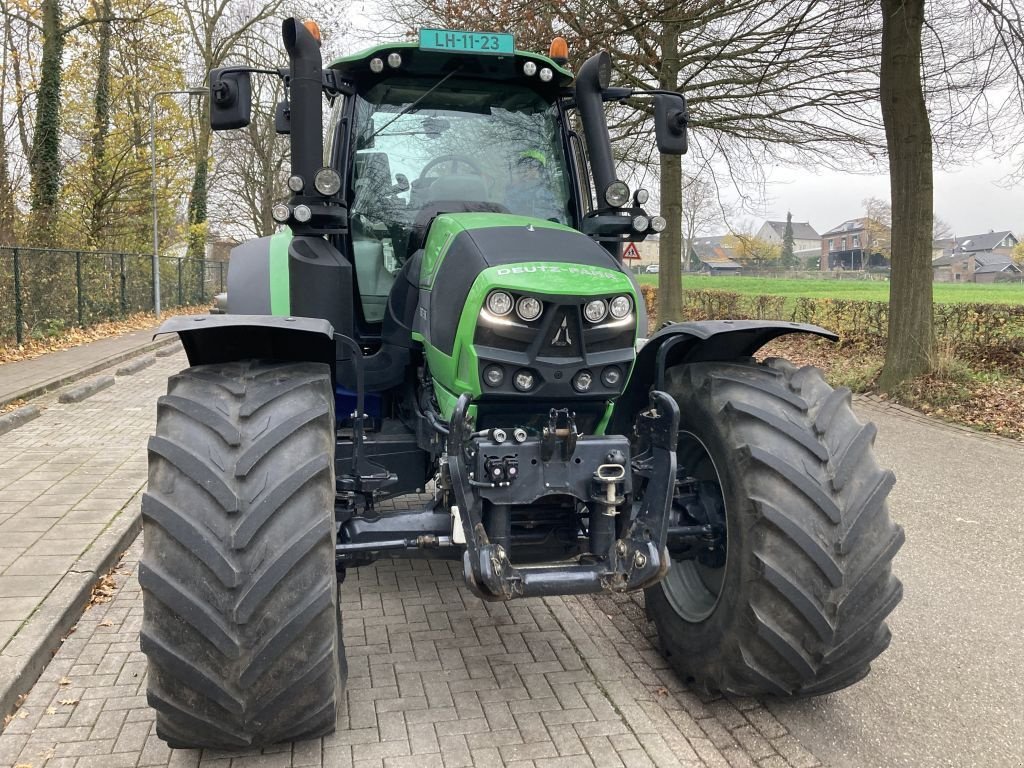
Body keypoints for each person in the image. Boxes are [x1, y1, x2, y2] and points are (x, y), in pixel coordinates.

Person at [505, 150, 560, 220]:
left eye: (530, 167)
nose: (526, 171)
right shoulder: (514, 192)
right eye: (524, 167)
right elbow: (507, 213)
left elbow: (554, 216)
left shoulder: (547, 193)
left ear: (540, 170)